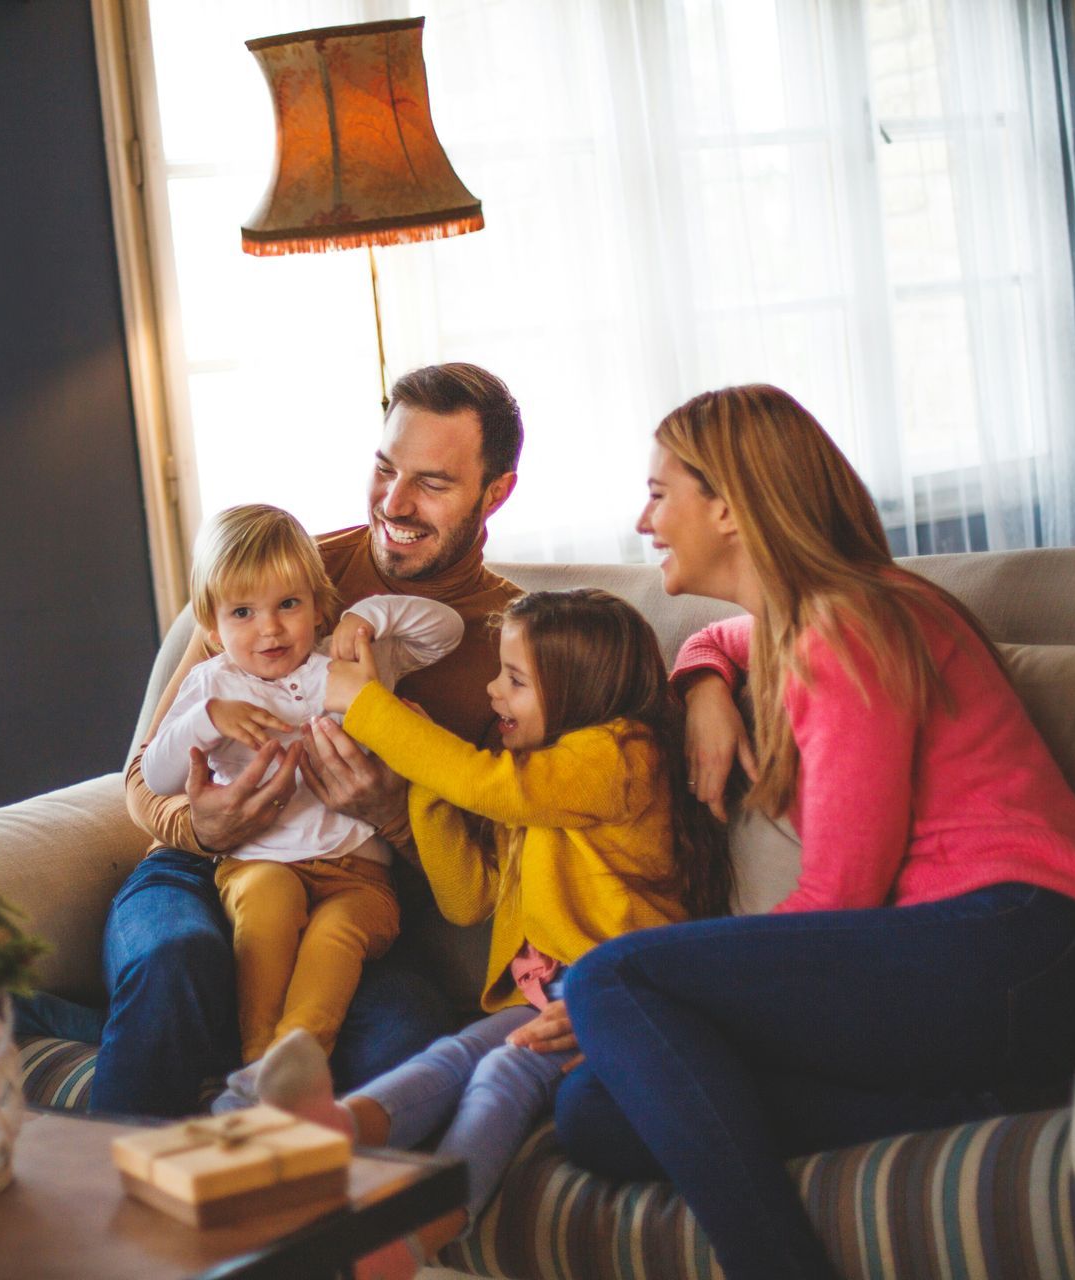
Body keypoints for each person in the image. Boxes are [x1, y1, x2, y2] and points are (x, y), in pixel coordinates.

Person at [549, 384, 1075, 1280]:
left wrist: (633, 998)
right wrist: (700, 684)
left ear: (731, 506)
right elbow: (722, 644)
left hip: (1024, 945)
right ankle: (999, 1098)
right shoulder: (801, 620)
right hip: (987, 982)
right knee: (595, 1109)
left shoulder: (848, 623)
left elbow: (843, 892)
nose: (643, 519)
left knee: (611, 977)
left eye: (659, 493)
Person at [233, 588, 731, 1278]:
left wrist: (374, 711)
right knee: (448, 1059)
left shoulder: (622, 753)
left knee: (499, 1074)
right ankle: (323, 1131)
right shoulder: (533, 779)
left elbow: (488, 786)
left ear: (578, 688)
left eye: (515, 680)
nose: (493, 690)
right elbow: (468, 899)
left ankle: (416, 1232)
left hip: (619, 1008)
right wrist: (424, 783)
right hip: (542, 1000)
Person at [90, 363, 528, 1116]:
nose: (394, 502)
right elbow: (141, 775)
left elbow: (490, 872)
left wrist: (393, 813)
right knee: (177, 961)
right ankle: (113, 1219)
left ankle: (279, 1175)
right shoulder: (283, 570)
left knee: (408, 1038)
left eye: (432, 482)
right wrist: (200, 826)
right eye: (385, 468)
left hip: (351, 887)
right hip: (207, 870)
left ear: (496, 492)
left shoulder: (515, 643)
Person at [142, 504, 464, 1065]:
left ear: (317, 609)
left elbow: (446, 631)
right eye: (243, 612)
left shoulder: (349, 669)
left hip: (359, 878)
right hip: (260, 864)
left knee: (334, 939)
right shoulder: (213, 684)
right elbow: (153, 775)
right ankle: (256, 1053)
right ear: (213, 630)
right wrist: (207, 720)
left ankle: (294, 1057)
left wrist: (367, 618)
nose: (269, 628)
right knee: (267, 908)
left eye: (288, 605)